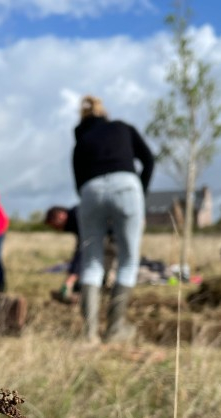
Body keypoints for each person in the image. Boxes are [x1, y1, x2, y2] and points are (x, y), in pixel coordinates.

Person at [72, 95, 154, 343]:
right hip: (127, 187)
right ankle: (115, 330)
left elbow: (79, 182)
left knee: (92, 260)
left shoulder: (81, 141)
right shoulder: (122, 128)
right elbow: (148, 160)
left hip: (90, 190)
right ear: (103, 113)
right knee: (128, 260)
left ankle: (89, 334)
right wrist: (140, 193)